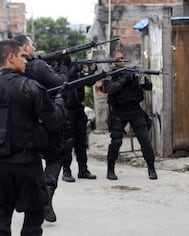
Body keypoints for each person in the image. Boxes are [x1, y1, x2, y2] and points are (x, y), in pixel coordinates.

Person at [0, 39, 66, 236]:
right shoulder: (32, 87)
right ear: (11, 57)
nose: (26, 61)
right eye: (22, 56)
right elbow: (53, 120)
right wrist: (61, 101)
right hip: (27, 164)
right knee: (33, 219)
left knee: (2, 218)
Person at [103, 50, 158, 180]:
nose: (121, 61)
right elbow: (110, 89)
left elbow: (149, 87)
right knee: (116, 141)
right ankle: (110, 169)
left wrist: (143, 81)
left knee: (145, 140)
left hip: (135, 110)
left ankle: (151, 168)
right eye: (118, 59)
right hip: (118, 112)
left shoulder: (132, 72)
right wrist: (124, 79)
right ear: (112, 62)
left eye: (123, 58)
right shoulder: (110, 75)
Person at [60, 56, 97, 182]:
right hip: (66, 110)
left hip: (78, 109)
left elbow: (89, 82)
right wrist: (74, 69)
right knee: (68, 142)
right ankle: (66, 171)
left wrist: (91, 70)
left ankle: (83, 169)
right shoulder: (59, 70)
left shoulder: (78, 70)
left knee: (81, 141)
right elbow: (64, 82)